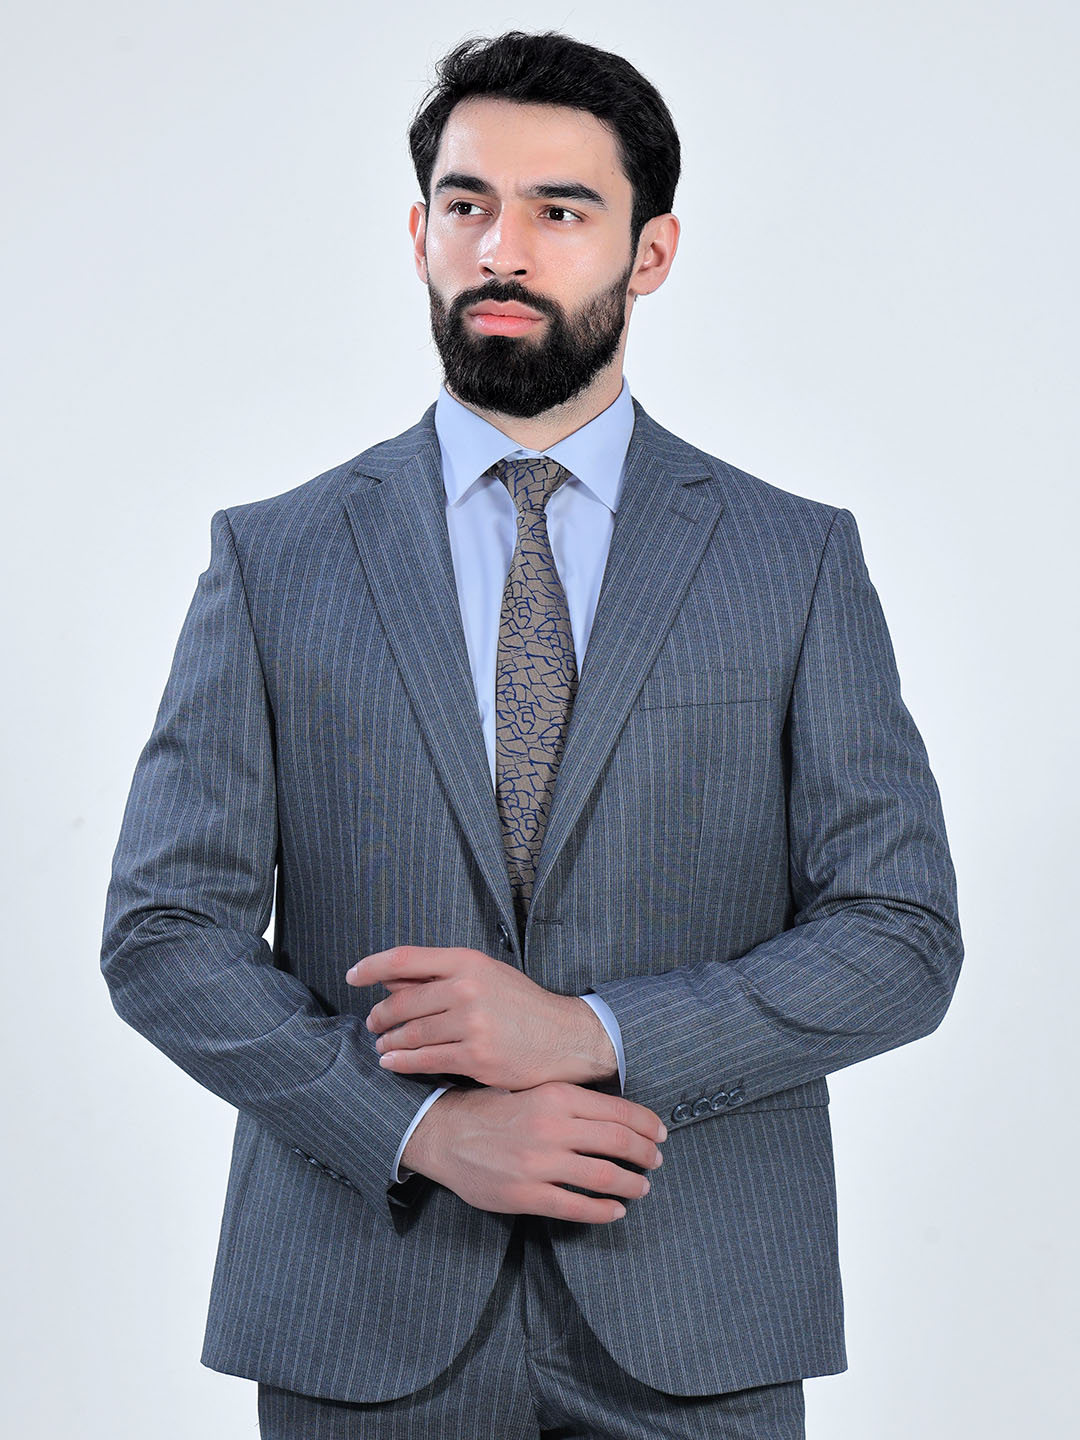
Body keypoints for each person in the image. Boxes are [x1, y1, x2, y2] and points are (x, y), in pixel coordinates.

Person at [100, 28, 963, 1440]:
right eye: (468, 204)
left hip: (701, 1314)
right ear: (419, 235)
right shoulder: (275, 558)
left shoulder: (792, 560)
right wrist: (423, 1130)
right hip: (358, 1312)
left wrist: (590, 1034)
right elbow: (163, 934)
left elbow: (901, 935)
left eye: (561, 210)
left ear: (651, 251)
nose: (502, 249)